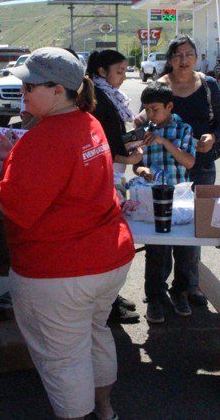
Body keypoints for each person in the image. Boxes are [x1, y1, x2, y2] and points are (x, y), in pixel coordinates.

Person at [0, 48, 135, 420]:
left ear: (59, 90)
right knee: (94, 335)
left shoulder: (44, 138)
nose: (22, 92)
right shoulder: (88, 122)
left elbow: (13, 205)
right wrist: (13, 158)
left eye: (29, 86)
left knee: (63, 359)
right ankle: (105, 409)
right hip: (107, 258)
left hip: (59, 269)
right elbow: (63, 177)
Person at [135, 35, 220, 307]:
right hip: (162, 166)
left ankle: (188, 284)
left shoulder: (208, 85)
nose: (183, 60)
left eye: (189, 54)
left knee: (193, 226)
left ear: (197, 57)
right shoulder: (160, 86)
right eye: (177, 55)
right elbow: (144, 116)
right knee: (161, 229)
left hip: (199, 163)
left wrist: (212, 137)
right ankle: (157, 290)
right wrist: (141, 121)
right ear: (170, 59)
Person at [87, 49, 142, 323]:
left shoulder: (108, 96)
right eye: (119, 71)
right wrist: (130, 157)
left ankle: (110, 298)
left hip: (113, 172)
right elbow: (103, 146)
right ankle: (105, 305)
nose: (123, 77)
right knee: (107, 243)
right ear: (101, 72)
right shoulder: (98, 100)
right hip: (104, 175)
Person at [134, 82, 196, 323]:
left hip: (180, 200)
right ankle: (155, 298)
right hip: (153, 201)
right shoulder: (143, 132)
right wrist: (142, 171)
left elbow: (189, 162)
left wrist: (164, 142)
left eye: (155, 109)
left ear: (169, 106)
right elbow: (136, 164)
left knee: (185, 252)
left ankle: (180, 291)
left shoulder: (183, 129)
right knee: (157, 253)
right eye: (147, 109)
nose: (150, 115)